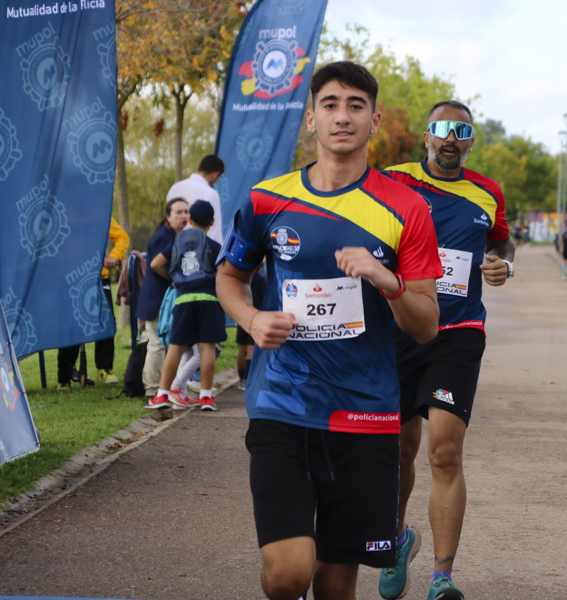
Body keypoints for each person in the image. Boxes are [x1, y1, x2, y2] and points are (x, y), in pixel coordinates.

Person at [215, 61, 442, 600]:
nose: (344, 117)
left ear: (375, 120)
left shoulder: (406, 208)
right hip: (282, 405)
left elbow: (427, 324)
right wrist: (251, 319)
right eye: (332, 105)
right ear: (312, 120)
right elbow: (229, 277)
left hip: (365, 413)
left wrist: (387, 280)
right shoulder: (266, 200)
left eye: (356, 107)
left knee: (336, 586)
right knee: (289, 572)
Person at [382, 99, 514, 600]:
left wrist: (503, 264)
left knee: (443, 451)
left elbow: (500, 244)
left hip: (458, 332)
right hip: (398, 326)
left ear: (471, 140)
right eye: (442, 129)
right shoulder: (392, 181)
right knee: (398, 450)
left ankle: (442, 574)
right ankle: (396, 539)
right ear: (426, 137)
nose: (451, 138)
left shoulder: (488, 193)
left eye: (462, 130)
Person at [146, 201, 227, 412]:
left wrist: (175, 278)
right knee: (207, 347)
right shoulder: (215, 246)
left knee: (176, 347)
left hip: (183, 299)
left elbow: (155, 264)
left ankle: (163, 394)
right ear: (212, 222)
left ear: (190, 220)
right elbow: (223, 273)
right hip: (208, 300)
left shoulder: (177, 243)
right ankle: (206, 397)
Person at [57, 218, 130, 389]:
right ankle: (65, 377)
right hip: (70, 278)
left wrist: (114, 256)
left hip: (98, 278)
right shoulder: (62, 214)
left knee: (105, 321)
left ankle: (104, 369)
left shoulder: (100, 212)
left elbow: (122, 237)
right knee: (71, 326)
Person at [135, 198, 189, 398]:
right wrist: (175, 278)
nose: (184, 216)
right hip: (156, 299)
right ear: (168, 216)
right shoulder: (163, 237)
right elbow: (156, 265)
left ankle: (165, 385)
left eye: (186, 212)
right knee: (156, 344)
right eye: (179, 212)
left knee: (163, 343)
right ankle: (152, 389)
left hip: (164, 299)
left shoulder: (174, 235)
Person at [168, 155, 225, 245]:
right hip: (200, 252)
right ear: (216, 174)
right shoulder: (210, 193)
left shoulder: (174, 188)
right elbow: (215, 232)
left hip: (174, 249)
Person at [234, 263, 267, 391]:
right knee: (251, 351)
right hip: (255, 317)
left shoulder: (241, 280)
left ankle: (241, 379)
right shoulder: (260, 281)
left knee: (242, 350)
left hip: (241, 317)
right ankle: (249, 380)